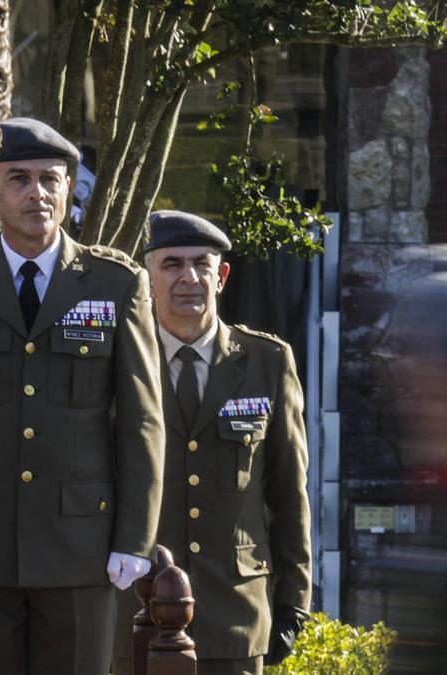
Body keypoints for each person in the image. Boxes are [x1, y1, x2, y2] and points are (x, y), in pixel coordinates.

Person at [0, 117, 165, 675]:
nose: (36, 193)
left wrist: (134, 537)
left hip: (81, 544)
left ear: (70, 188)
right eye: (19, 178)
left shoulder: (116, 284)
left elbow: (142, 420)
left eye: (50, 178)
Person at [111, 210, 312, 675]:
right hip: (135, 613)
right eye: (172, 264)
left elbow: (289, 496)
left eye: (202, 264)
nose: (189, 278)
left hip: (235, 614)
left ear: (221, 276)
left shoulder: (267, 362)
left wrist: (293, 602)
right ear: (148, 278)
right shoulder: (117, 363)